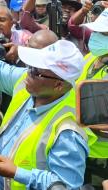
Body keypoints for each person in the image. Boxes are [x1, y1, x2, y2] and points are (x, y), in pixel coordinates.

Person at [0, 40, 88, 189]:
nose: (27, 73)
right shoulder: (29, 84)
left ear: (58, 85)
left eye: (35, 71)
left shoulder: (68, 131)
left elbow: (67, 186)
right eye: (30, 66)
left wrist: (18, 173)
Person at [77, 8, 108, 189]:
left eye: (103, 33)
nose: (95, 36)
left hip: (104, 156)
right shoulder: (91, 58)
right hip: (84, 148)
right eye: (95, 31)